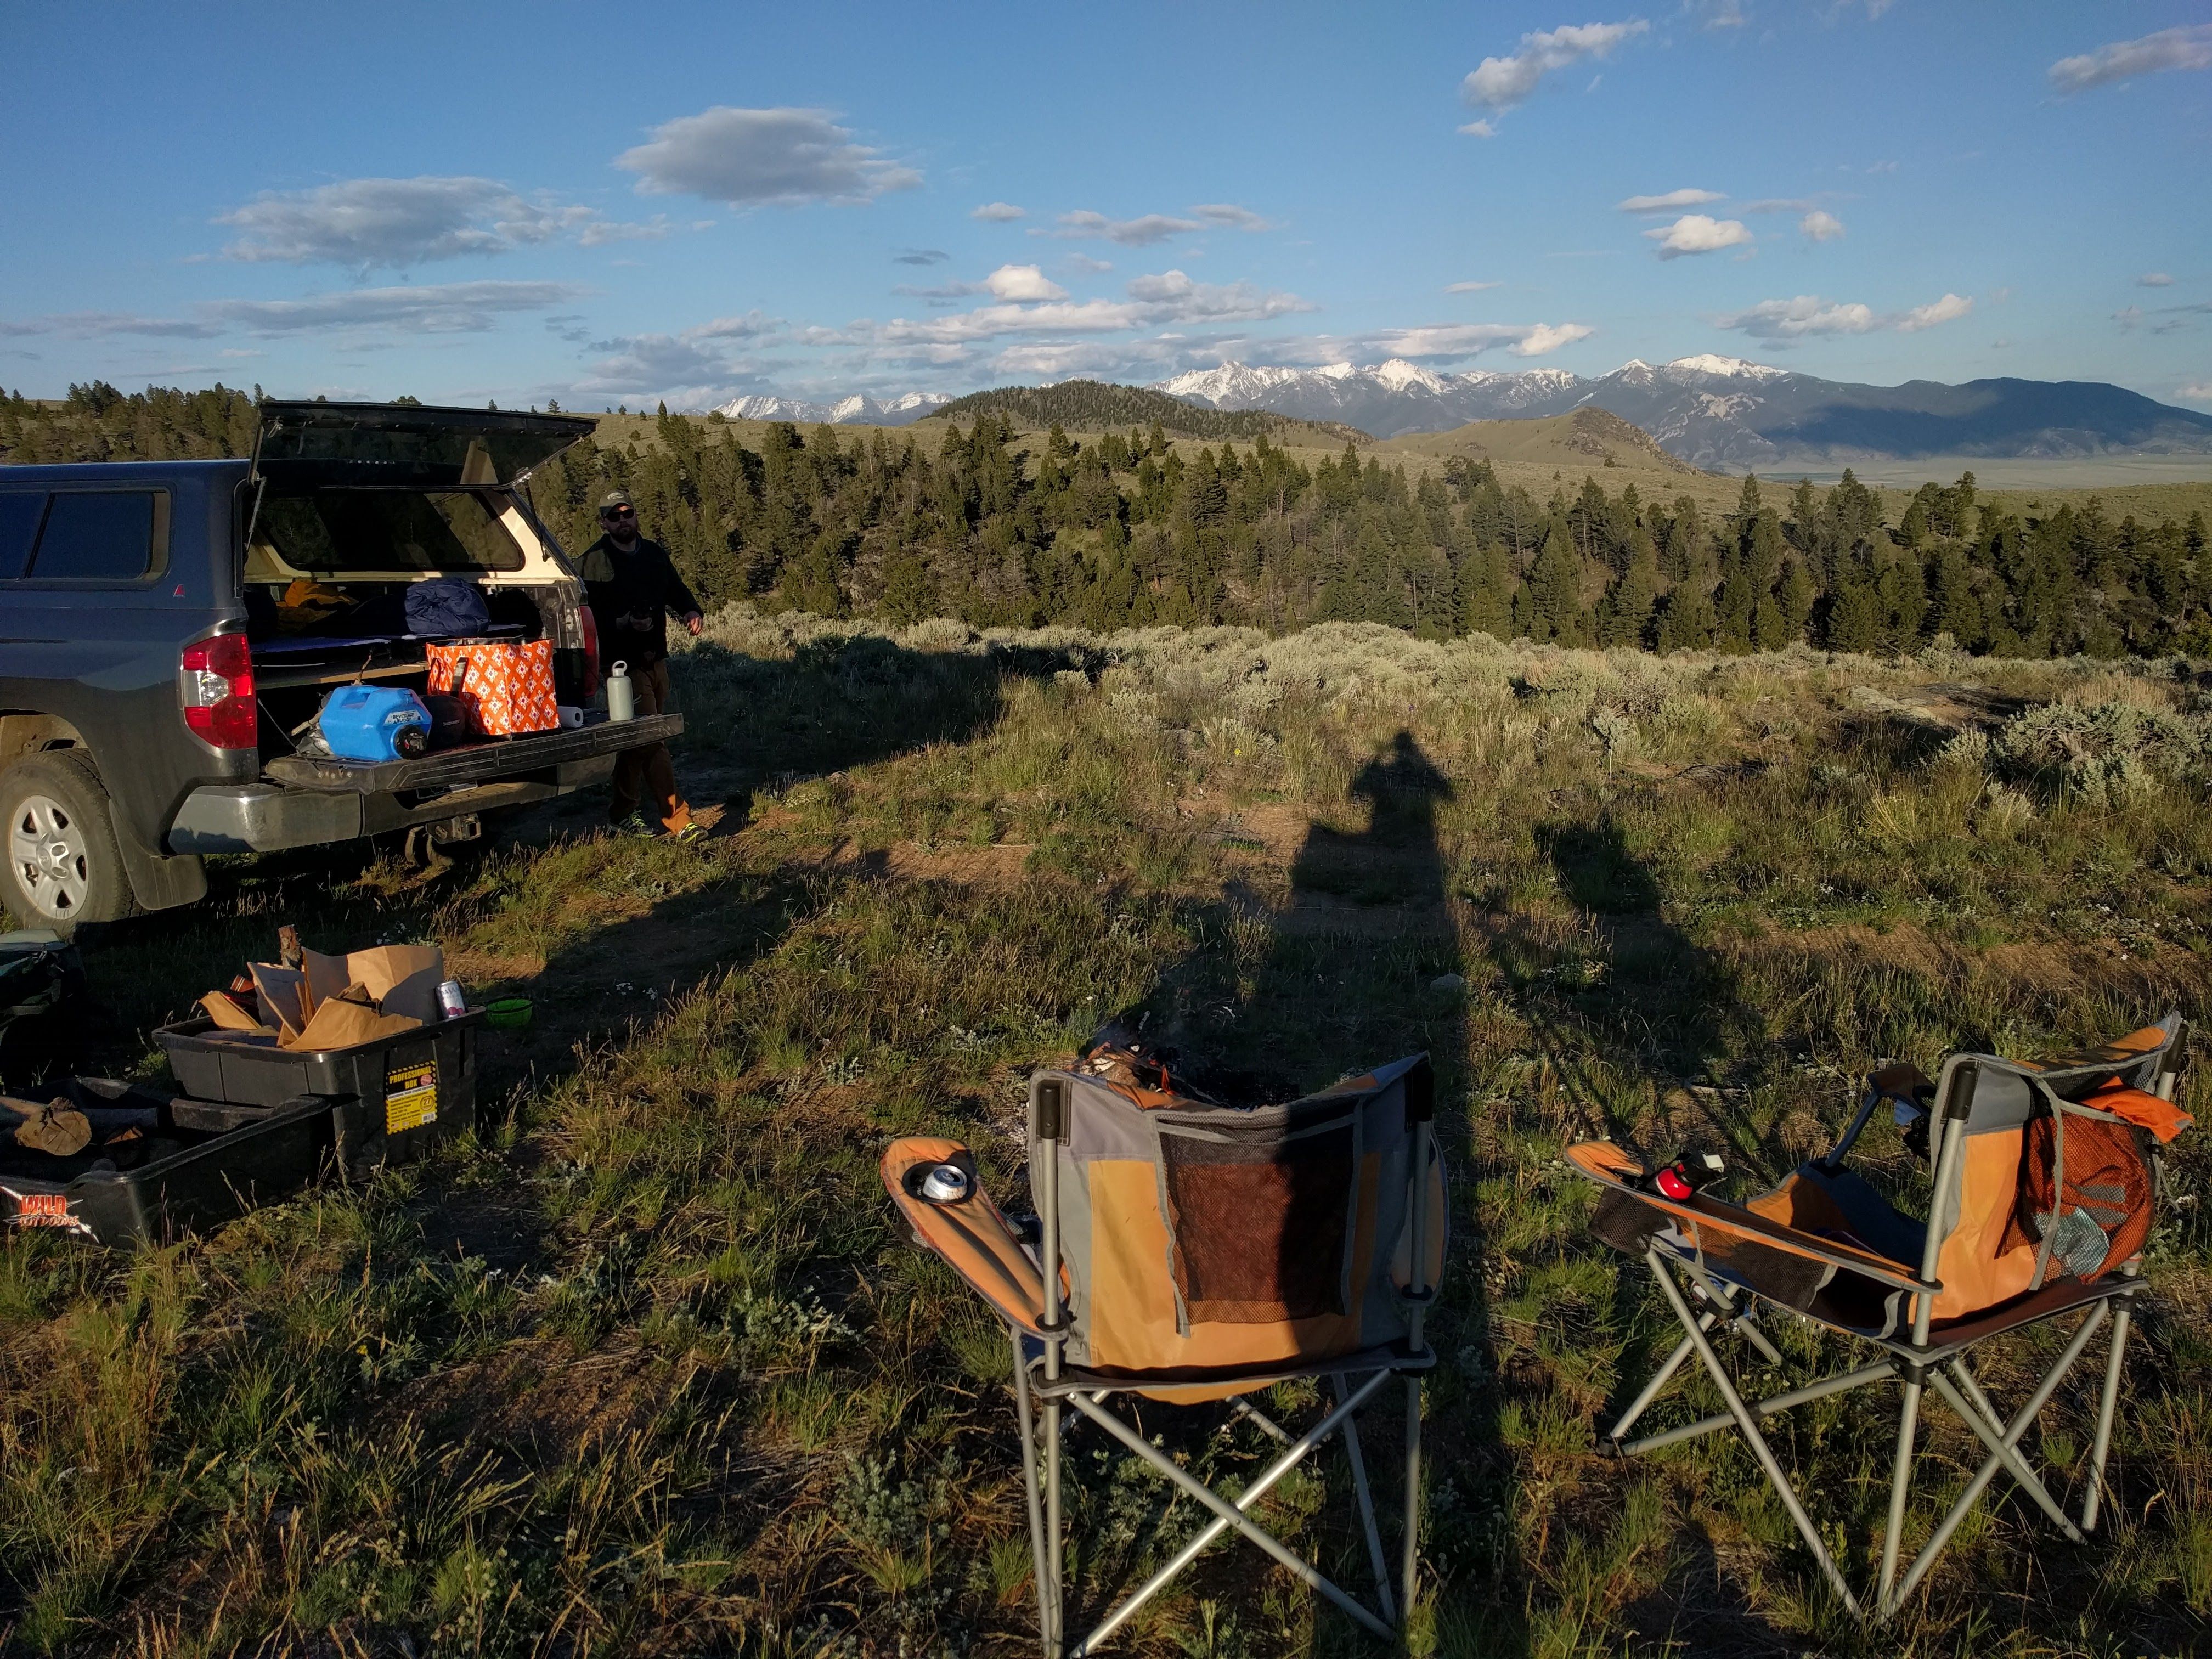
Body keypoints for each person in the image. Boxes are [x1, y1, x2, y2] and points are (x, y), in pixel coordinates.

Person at [579, 489, 707, 841]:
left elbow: (675, 589)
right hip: (621, 668)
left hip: (655, 658)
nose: (623, 521)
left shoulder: (652, 554)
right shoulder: (592, 563)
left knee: (637, 740)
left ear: (636, 515)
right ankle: (677, 819)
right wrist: (622, 623)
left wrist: (691, 610)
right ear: (604, 523)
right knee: (653, 738)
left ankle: (622, 813)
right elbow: (586, 617)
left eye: (628, 513)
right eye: (615, 516)